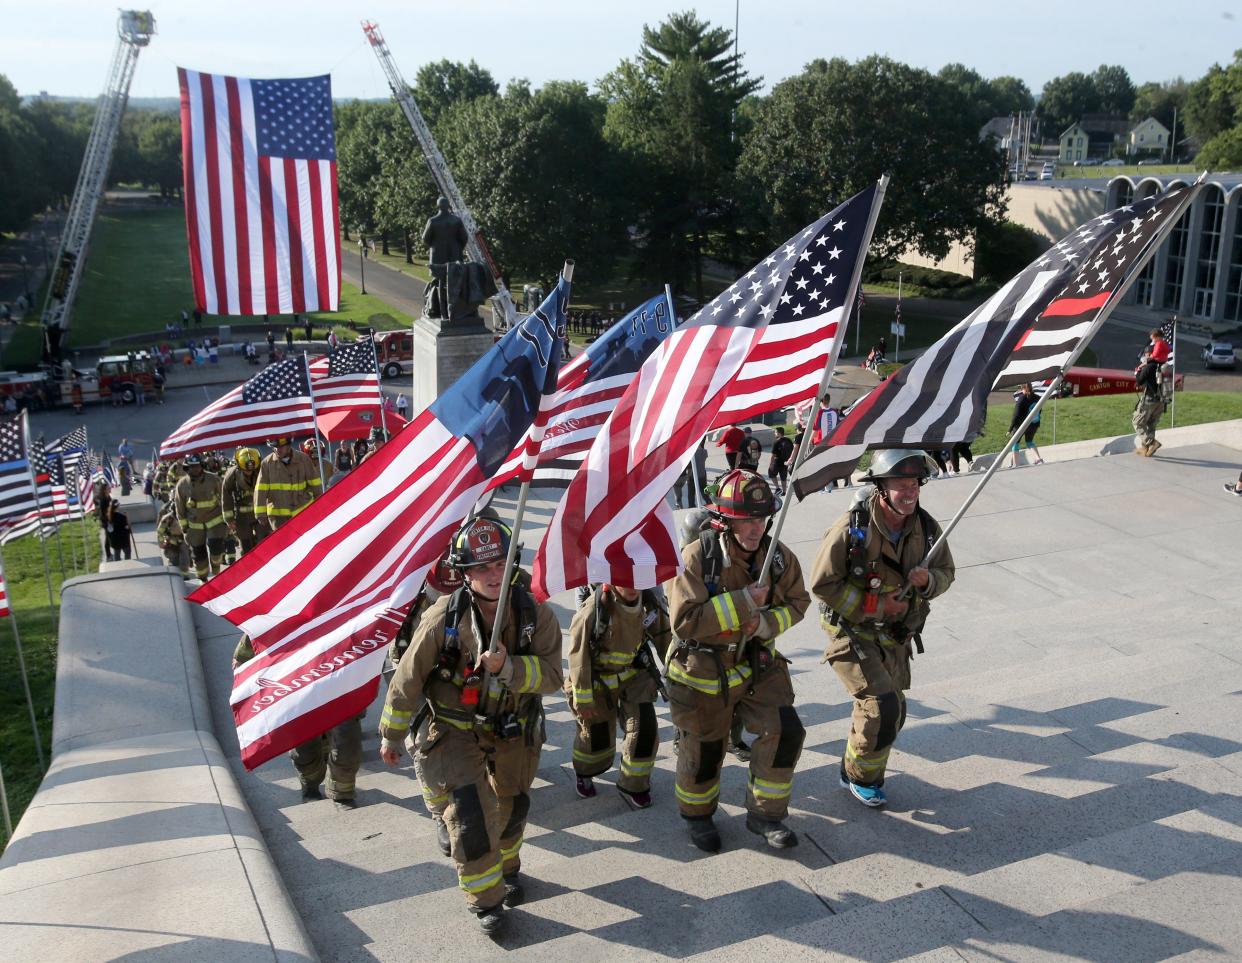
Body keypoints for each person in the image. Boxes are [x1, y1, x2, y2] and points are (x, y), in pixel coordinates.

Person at [378, 515, 563, 935]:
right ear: (464, 574)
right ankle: (486, 901)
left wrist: (509, 667)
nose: (494, 575)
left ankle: (508, 868)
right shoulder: (444, 617)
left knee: (512, 808)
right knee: (472, 815)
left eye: (500, 564)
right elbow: (407, 679)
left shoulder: (535, 613)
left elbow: (552, 675)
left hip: (513, 726)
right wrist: (391, 734)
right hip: (455, 730)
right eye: (482, 568)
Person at [665, 468, 810, 852]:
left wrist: (764, 623)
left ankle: (766, 815)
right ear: (726, 520)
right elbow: (683, 622)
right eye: (746, 519)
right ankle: (698, 818)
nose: (755, 528)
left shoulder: (777, 556)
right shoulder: (698, 557)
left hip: (756, 665)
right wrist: (743, 601)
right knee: (706, 750)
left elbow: (799, 603)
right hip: (702, 672)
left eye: (761, 518)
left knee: (786, 731)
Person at [810, 450, 955, 808]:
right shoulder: (849, 529)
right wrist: (874, 606)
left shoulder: (926, 527)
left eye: (914, 484)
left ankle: (853, 766)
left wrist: (926, 582)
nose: (910, 491)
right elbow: (822, 585)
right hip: (851, 630)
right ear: (880, 487)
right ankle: (862, 779)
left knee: (895, 711)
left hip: (894, 634)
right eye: (900, 484)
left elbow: (946, 573)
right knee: (881, 706)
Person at [566, 583, 670, 809]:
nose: (633, 585)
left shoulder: (650, 603)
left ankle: (635, 784)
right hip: (598, 681)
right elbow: (577, 654)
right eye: (624, 578)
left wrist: (680, 672)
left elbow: (665, 638)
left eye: (638, 578)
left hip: (635, 677)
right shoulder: (594, 609)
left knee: (645, 729)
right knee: (597, 736)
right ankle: (586, 772)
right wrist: (583, 698)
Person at [233, 633, 364, 811]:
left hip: (338, 682)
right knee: (304, 750)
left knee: (347, 742)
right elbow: (243, 659)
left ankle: (342, 793)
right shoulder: (275, 614)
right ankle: (310, 785)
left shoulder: (341, 605)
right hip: (296, 690)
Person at [173, 453, 228, 580]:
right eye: (192, 467)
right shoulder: (182, 485)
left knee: (216, 551)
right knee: (199, 557)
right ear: (187, 468)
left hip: (215, 522)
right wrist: (185, 529)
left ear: (202, 466)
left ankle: (216, 570)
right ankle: (203, 580)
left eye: (197, 466)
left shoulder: (213, 479)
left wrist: (228, 519)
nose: (195, 469)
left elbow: (224, 498)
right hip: (194, 526)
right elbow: (179, 507)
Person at [254, 438, 321, 531]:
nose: (278, 449)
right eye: (275, 447)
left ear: (289, 446)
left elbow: (315, 483)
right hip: (278, 517)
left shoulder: (303, 459)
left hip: (302, 511)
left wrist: (320, 505)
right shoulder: (267, 463)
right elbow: (260, 489)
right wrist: (260, 514)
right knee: (283, 544)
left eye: (281, 446)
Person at [222, 448, 265, 556]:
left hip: (261, 514)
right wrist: (229, 519)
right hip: (241, 517)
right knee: (246, 547)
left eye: (252, 470)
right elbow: (226, 498)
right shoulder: (231, 476)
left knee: (264, 543)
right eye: (246, 470)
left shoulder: (262, 470)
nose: (249, 472)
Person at [1133, 348, 1166, 457]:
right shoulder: (1162, 364)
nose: (1144, 357)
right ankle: (1145, 449)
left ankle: (1151, 442)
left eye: (1146, 354)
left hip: (1149, 399)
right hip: (1161, 400)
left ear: (1150, 354)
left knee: (1137, 422)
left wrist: (1137, 371)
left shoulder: (1149, 366)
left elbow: (1139, 381)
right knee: (1150, 424)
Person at [1009, 383, 1044, 467]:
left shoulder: (1022, 398)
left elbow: (1016, 415)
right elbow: (1039, 411)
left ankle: (1016, 464)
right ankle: (1038, 458)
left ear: (1023, 389)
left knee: (1015, 443)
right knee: (1029, 442)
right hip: (1034, 424)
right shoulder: (1037, 397)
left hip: (1021, 425)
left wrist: (1010, 428)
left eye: (1021, 389)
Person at [767, 426, 794, 491]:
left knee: (771, 473)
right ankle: (784, 491)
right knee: (783, 477)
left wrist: (771, 464)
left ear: (779, 433)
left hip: (777, 462)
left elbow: (773, 455)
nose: (774, 434)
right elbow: (792, 450)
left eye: (775, 432)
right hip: (785, 462)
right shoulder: (788, 440)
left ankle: (777, 488)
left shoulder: (776, 442)